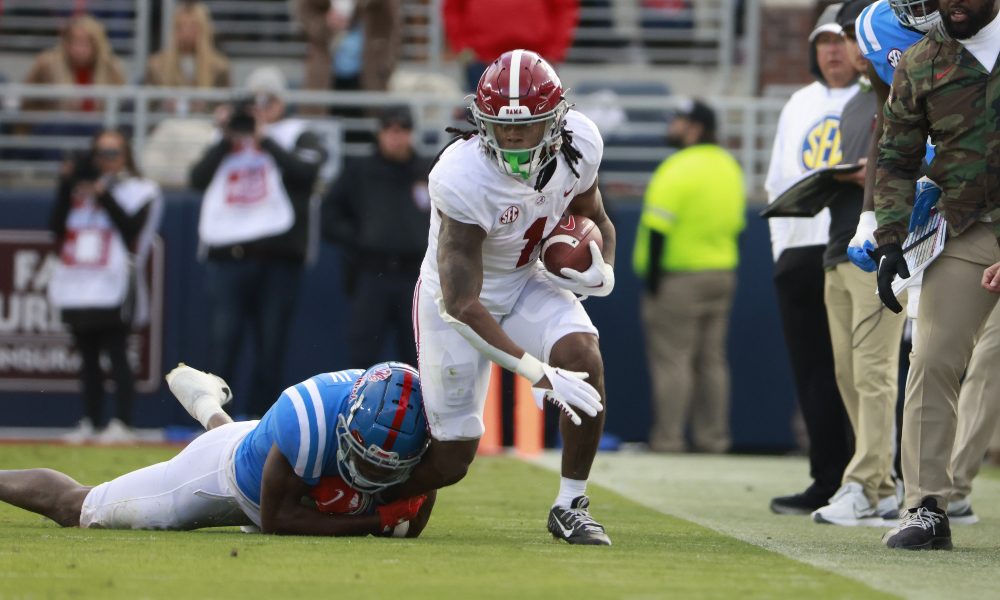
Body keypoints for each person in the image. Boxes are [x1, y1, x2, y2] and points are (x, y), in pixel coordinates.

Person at [382, 49, 613, 545]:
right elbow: (463, 304)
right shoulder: (460, 176)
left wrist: (601, 272)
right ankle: (370, 497)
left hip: (528, 279)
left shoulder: (582, 144)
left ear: (555, 121)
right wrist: (537, 371)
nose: (510, 136)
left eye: (525, 126)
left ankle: (570, 502)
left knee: (583, 358)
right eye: (500, 125)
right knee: (453, 456)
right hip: (457, 302)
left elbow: (596, 219)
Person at [852, 0, 1000, 526]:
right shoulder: (920, 61)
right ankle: (925, 506)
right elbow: (896, 155)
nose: (951, 4)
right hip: (966, 226)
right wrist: (890, 237)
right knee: (932, 359)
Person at [0, 362, 435, 536]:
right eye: (360, 456)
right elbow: (276, 520)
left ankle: (206, 403)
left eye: (385, 467)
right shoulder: (307, 416)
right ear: (345, 423)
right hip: (225, 480)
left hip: (266, 452)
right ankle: (207, 408)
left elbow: (418, 515)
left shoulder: (424, 426)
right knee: (78, 508)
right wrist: (377, 517)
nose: (369, 474)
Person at [808, 0, 907, 527]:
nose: (852, 46)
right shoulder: (853, 105)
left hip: (879, 251)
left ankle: (863, 485)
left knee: (874, 373)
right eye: (845, 35)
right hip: (835, 247)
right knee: (850, 374)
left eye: (855, 34)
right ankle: (882, 487)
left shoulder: (904, 92)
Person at [189, 66, 327, 418]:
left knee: (271, 347)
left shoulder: (297, 134)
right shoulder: (225, 138)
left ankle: (260, 427)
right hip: (229, 259)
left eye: (269, 100)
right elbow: (196, 178)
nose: (261, 108)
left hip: (278, 259)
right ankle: (214, 424)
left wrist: (265, 140)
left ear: (283, 101)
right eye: (255, 101)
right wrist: (225, 137)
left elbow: (307, 173)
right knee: (223, 345)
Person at [765, 6, 859, 516]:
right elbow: (777, 180)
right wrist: (782, 251)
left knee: (862, 371)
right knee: (814, 372)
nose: (832, 50)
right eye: (824, 41)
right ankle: (826, 477)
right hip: (800, 253)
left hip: (851, 249)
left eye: (842, 40)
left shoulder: (875, 97)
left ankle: (873, 478)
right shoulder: (798, 103)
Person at [632, 99, 745, 454]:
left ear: (694, 128)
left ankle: (669, 439)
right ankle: (714, 439)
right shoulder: (730, 166)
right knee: (712, 361)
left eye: (677, 121)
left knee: (673, 361)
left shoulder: (676, 167)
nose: (671, 127)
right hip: (722, 272)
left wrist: (651, 282)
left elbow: (656, 230)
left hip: (678, 277)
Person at [48, 130, 164, 445]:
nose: (105, 160)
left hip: (113, 284)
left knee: (117, 354)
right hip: (77, 282)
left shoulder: (141, 190)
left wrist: (103, 193)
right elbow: (56, 227)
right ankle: (90, 420)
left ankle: (122, 422)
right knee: (86, 357)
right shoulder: (78, 192)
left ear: (126, 155)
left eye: (112, 153)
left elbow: (132, 230)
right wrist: (66, 184)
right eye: (100, 153)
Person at [321, 106, 431, 367]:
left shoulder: (428, 170)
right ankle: (359, 406)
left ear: (411, 134)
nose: (396, 137)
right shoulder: (360, 171)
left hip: (416, 277)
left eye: (403, 130)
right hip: (372, 273)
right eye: (390, 130)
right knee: (362, 354)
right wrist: (359, 237)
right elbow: (329, 216)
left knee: (420, 356)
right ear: (379, 134)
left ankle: (422, 408)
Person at [443, 0, 580, 91]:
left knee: (539, 124)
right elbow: (452, 8)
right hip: (481, 61)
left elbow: (564, 9)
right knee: (481, 125)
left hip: (537, 61)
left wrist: (554, 52)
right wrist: (462, 48)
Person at [22, 14, 125, 113]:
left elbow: (121, 106)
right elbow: (27, 102)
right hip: (56, 127)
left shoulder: (111, 68)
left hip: (98, 128)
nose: (80, 49)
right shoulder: (46, 65)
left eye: (86, 43)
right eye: (75, 42)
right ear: (66, 43)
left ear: (97, 45)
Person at [145, 1, 231, 114]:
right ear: (174, 29)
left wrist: (206, 105)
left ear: (203, 30)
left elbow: (225, 105)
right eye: (181, 26)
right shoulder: (156, 65)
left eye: (192, 26)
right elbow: (148, 105)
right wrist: (164, 104)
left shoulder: (220, 66)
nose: (186, 32)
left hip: (205, 123)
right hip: (167, 122)